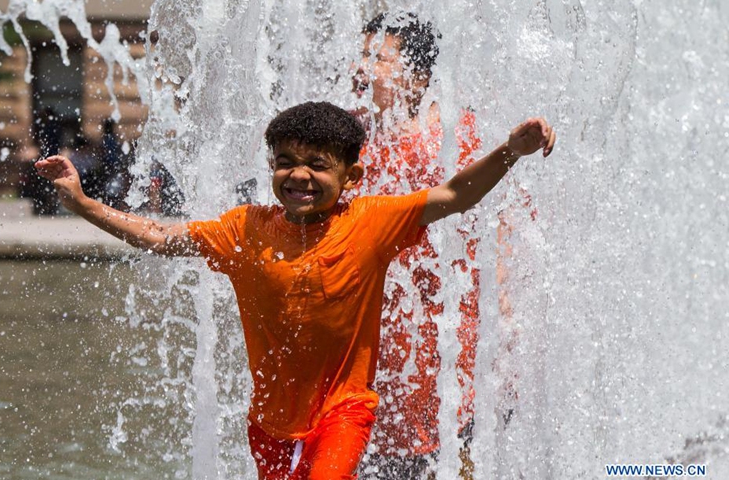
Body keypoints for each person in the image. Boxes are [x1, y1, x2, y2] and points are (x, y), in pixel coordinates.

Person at [35, 101, 555, 479]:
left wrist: (510, 151)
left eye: (318, 165)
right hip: (268, 422)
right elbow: (161, 236)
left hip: (344, 410)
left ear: (352, 175)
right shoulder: (244, 229)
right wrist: (83, 205)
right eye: (286, 161)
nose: (299, 175)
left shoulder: (374, 222)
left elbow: (452, 194)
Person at [351, 12, 480, 479]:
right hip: (366, 351)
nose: (360, 67)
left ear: (418, 75)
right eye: (361, 54)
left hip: (438, 353)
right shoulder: (348, 139)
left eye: (376, 58)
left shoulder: (453, 140)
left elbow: (498, 235)